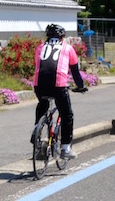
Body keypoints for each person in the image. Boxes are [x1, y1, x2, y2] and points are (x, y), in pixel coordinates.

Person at [33, 23, 87, 160]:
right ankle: (65, 148)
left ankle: (36, 130)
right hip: (58, 85)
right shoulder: (68, 48)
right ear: (62, 37)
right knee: (67, 114)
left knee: (43, 103)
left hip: (39, 85)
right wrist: (80, 86)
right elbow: (75, 72)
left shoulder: (40, 47)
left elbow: (40, 65)